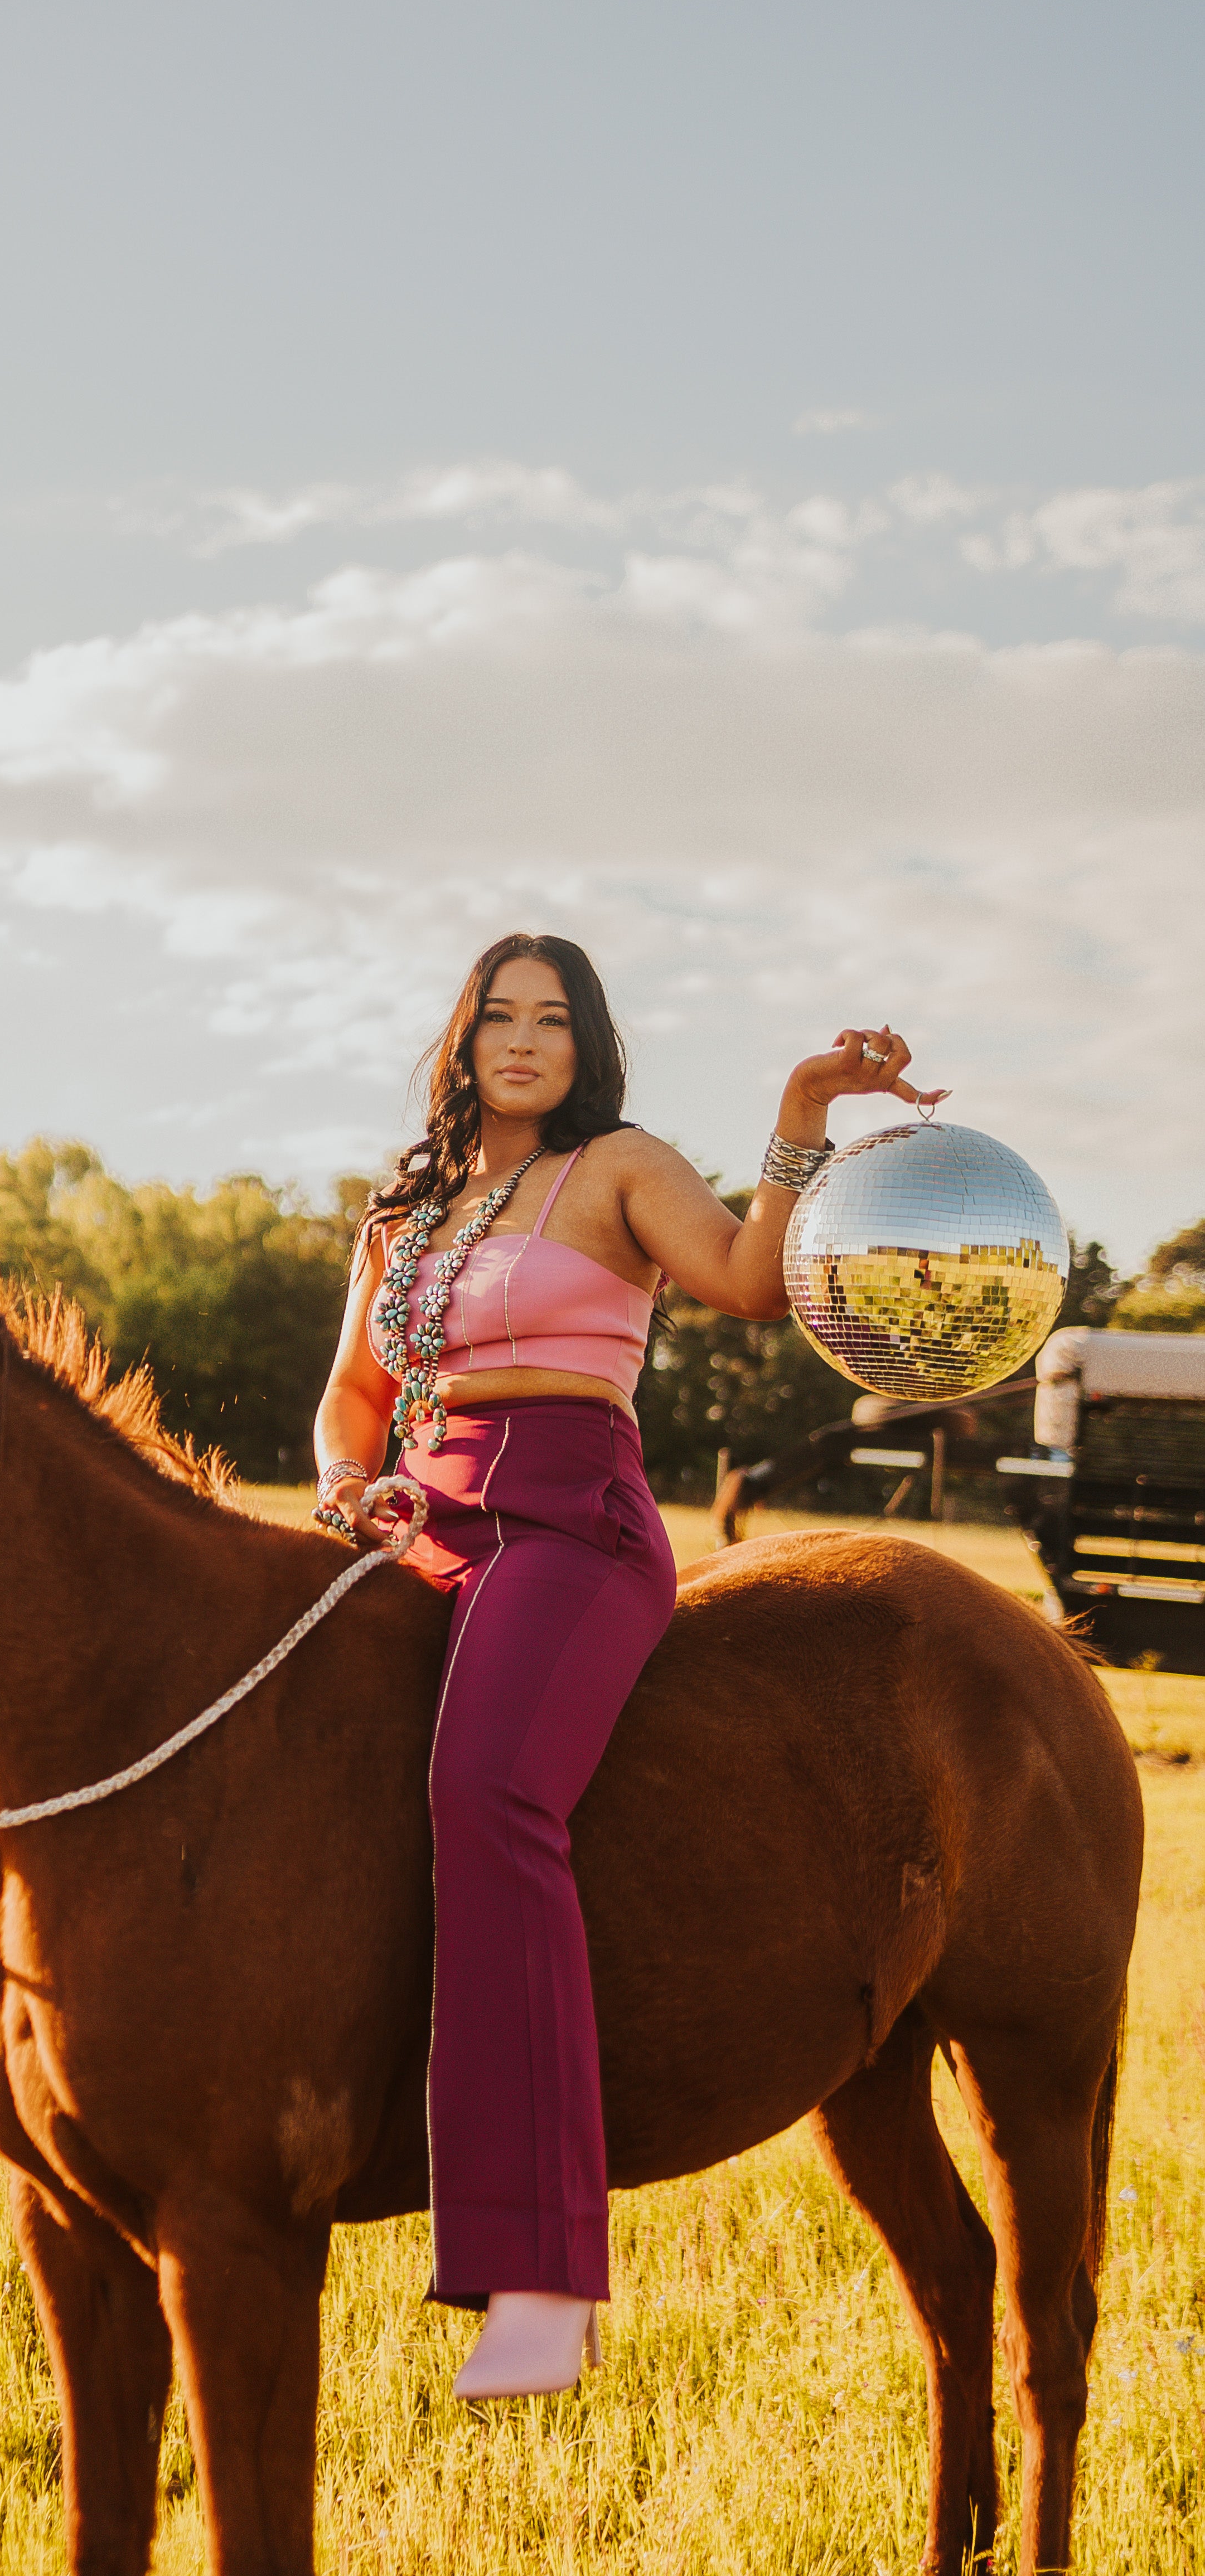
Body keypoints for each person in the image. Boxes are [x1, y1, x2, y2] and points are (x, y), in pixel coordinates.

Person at [311, 934, 942, 2398]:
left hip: (569, 1520)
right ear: (461, 1041)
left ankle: (538, 2275)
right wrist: (351, 1488)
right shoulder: (401, 1208)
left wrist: (798, 1111)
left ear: (583, 1045)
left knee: (485, 1795)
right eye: (496, 1018)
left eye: (550, 1020)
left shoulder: (618, 1167)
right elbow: (353, 1399)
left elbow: (743, 1286)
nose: (520, 1042)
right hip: (423, 1515)